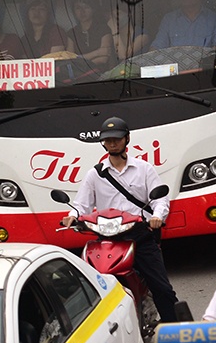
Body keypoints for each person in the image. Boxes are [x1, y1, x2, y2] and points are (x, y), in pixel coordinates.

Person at [65, 117, 181, 321]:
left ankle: (176, 330)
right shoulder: (95, 174)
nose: (112, 143)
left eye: (117, 139)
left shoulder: (144, 168)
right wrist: (72, 216)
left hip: (140, 236)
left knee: (162, 288)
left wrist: (157, 216)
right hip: (108, 240)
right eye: (108, 140)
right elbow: (81, 204)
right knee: (91, 290)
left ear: (127, 139)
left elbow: (160, 199)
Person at [69, 0, 115, 68]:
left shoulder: (103, 28)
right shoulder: (72, 33)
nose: (82, 11)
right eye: (78, 8)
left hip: (103, 72)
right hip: (80, 74)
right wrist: (97, 53)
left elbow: (104, 58)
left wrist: (80, 61)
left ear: (93, 9)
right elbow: (70, 60)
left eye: (86, 7)